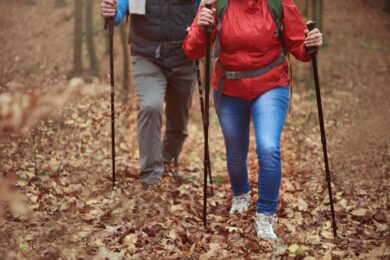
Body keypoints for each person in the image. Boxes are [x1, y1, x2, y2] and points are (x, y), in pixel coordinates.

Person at [183, 0, 323, 240]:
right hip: (229, 88)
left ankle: (265, 215)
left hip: (270, 85)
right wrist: (202, 28)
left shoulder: (279, 4)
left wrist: (310, 44)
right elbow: (193, 51)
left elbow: (298, 46)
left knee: (268, 147)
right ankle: (240, 195)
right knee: (235, 150)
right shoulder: (215, 4)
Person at [100, 0, 200, 186]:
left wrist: (207, 22)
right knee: (150, 106)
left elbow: (206, 7)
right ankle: (151, 175)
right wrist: (112, 12)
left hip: (185, 57)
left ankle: (166, 159)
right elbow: (120, 8)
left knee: (178, 122)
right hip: (147, 56)